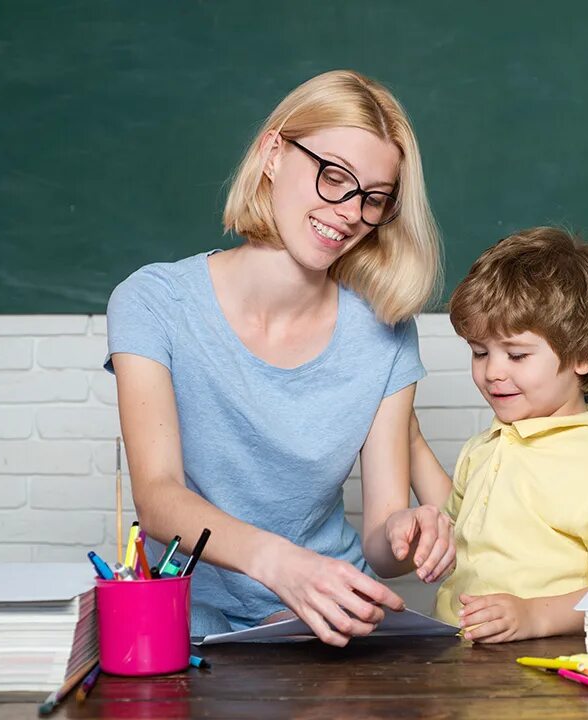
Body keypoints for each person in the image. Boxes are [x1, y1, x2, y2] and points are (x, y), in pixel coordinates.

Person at [105, 70, 454, 646]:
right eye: (334, 176)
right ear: (273, 153)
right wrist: (285, 567)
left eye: (373, 198)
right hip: (189, 622)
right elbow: (160, 499)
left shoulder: (385, 330)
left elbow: (379, 543)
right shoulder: (152, 302)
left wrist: (405, 534)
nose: (348, 212)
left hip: (328, 628)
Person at [409, 227, 588, 643]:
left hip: (546, 674)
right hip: (460, 663)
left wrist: (534, 616)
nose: (492, 372)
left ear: (584, 353)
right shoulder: (486, 446)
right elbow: (461, 534)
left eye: (517, 355)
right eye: (479, 352)